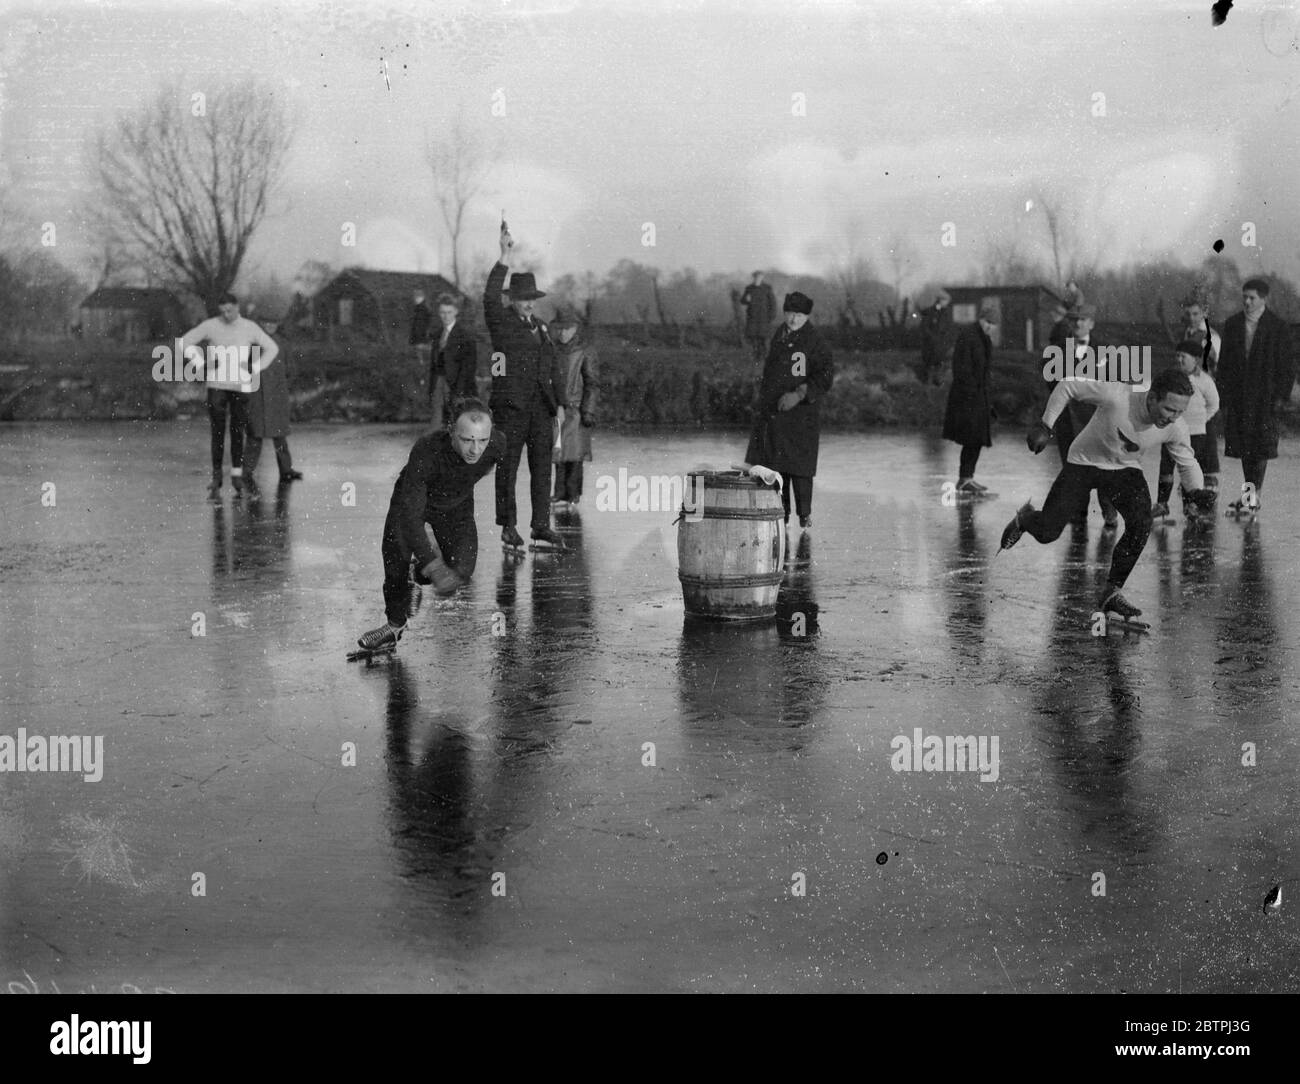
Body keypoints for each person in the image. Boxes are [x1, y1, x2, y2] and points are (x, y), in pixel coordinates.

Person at [999, 366, 1216, 622]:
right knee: (1047, 533)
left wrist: (1197, 491)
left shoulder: (1175, 426)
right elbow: (1068, 384)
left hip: (1124, 470)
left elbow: (1187, 461)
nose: (1172, 418)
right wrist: (1045, 426)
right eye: (1169, 409)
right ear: (1152, 396)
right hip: (1084, 462)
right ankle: (1024, 520)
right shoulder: (1118, 396)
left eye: (1180, 412)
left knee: (1141, 523)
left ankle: (1112, 591)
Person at [355, 397, 507, 653]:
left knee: (461, 571)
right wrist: (434, 566)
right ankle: (394, 626)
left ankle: (416, 577)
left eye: (482, 440)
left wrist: (508, 521)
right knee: (396, 563)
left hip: (455, 506)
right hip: (414, 501)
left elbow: (506, 476)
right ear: (450, 431)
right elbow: (411, 517)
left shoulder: (497, 445)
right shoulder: (427, 450)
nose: (475, 449)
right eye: (467, 440)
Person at [484, 224, 566, 551]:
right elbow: (489, 296)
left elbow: (552, 366)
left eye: (532, 299)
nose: (529, 304)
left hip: (541, 409)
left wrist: (559, 403)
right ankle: (508, 527)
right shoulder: (501, 322)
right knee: (508, 469)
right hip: (511, 408)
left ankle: (541, 526)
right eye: (523, 299)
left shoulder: (543, 328)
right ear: (512, 300)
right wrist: (503, 256)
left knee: (542, 469)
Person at [742, 291, 834, 528]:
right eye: (790, 314)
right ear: (784, 313)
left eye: (799, 315)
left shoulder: (815, 341)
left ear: (807, 316)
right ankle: (780, 517)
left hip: (801, 416)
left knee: (800, 469)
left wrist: (800, 394)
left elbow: (824, 377)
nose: (793, 319)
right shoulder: (779, 335)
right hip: (774, 413)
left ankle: (804, 517)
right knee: (776, 467)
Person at [180, 292, 279, 500]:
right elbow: (184, 342)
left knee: (237, 430)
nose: (226, 314)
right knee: (217, 431)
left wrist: (255, 367)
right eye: (222, 311)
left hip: (240, 385)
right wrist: (201, 364)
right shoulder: (210, 325)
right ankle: (217, 476)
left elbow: (272, 348)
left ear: (237, 307)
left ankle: (236, 475)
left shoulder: (249, 327)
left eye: (229, 310)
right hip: (217, 384)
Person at [1216, 278, 1295, 515]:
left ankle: (1253, 496)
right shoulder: (1233, 324)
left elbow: (1287, 365)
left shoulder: (1278, 327)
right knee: (1244, 446)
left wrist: (1281, 396)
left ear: (1263, 299)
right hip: (1240, 395)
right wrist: (1224, 396)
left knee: (1260, 447)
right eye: (1245, 297)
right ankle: (1249, 495)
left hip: (1265, 397)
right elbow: (1224, 364)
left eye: (1252, 298)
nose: (1247, 302)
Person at [1048, 302, 1118, 528]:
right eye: (1074, 320)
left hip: (1096, 418)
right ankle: (1079, 514)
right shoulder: (1058, 349)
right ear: (1069, 323)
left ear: (1091, 323)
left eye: (1083, 319)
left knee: (1104, 464)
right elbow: (1050, 383)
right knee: (1072, 466)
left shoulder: (1105, 350)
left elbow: (1114, 383)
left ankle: (1109, 509)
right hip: (1068, 418)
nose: (1078, 323)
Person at [1153, 339, 1219, 519]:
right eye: (1178, 356)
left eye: (1184, 357)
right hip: (1171, 431)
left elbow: (1214, 405)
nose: (1180, 360)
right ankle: (1162, 504)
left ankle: (1190, 505)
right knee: (1165, 469)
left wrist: (1200, 421)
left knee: (1188, 470)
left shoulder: (1204, 380)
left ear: (1195, 360)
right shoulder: (1172, 378)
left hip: (1195, 433)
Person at [941, 300, 997, 497]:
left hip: (978, 397)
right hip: (967, 398)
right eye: (987, 322)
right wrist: (973, 394)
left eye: (993, 324)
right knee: (971, 438)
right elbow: (962, 369)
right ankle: (965, 479)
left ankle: (967, 478)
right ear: (980, 320)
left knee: (976, 439)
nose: (989, 326)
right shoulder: (968, 337)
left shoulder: (985, 339)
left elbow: (985, 372)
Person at [243, 318, 303, 490]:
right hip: (257, 395)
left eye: (273, 323)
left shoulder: (282, 344)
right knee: (255, 435)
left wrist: (282, 386)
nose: (269, 326)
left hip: (277, 396)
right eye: (266, 323)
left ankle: (286, 470)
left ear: (277, 324)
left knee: (280, 436)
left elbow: (291, 369)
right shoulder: (254, 344)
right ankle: (246, 471)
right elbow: (246, 368)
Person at [550, 309, 600, 509]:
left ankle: (573, 493)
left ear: (575, 329)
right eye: (559, 329)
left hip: (576, 409)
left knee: (575, 454)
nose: (563, 333)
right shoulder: (552, 349)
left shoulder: (585, 351)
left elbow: (592, 383)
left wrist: (588, 410)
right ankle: (559, 492)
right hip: (556, 409)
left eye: (567, 329)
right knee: (558, 451)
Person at [427, 293, 478, 432]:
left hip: (457, 386)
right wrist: (432, 389)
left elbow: (469, 367)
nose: (446, 316)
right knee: (436, 423)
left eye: (449, 312)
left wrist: (460, 392)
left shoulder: (465, 335)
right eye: (442, 312)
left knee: (457, 424)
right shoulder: (437, 335)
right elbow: (434, 364)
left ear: (456, 311)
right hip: (439, 383)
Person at [739, 271, 776, 366]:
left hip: (764, 318)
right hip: (752, 318)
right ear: (753, 278)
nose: (757, 279)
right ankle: (756, 358)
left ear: (762, 278)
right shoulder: (749, 288)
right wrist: (746, 299)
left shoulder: (767, 288)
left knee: (763, 339)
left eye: (759, 277)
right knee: (753, 338)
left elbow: (772, 303)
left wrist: (771, 316)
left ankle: (763, 357)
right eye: (755, 277)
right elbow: (742, 301)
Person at [919, 291, 951, 385]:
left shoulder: (945, 312)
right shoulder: (929, 312)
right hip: (930, 343)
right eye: (945, 301)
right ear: (940, 301)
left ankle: (937, 381)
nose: (947, 303)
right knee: (929, 363)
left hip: (941, 343)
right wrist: (932, 337)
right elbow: (925, 327)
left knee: (939, 363)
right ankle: (926, 382)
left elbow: (947, 327)